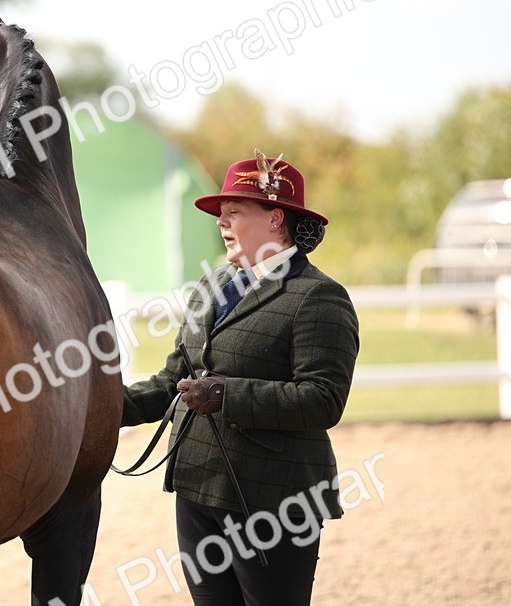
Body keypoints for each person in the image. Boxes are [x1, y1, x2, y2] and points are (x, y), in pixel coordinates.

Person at [122, 150, 359, 606]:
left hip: (275, 499)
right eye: (221, 213)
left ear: (274, 218)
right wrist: (100, 406)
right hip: (197, 488)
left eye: (233, 211)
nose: (221, 222)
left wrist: (225, 394)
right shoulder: (211, 285)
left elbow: (323, 399)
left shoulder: (318, 296)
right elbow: (175, 380)